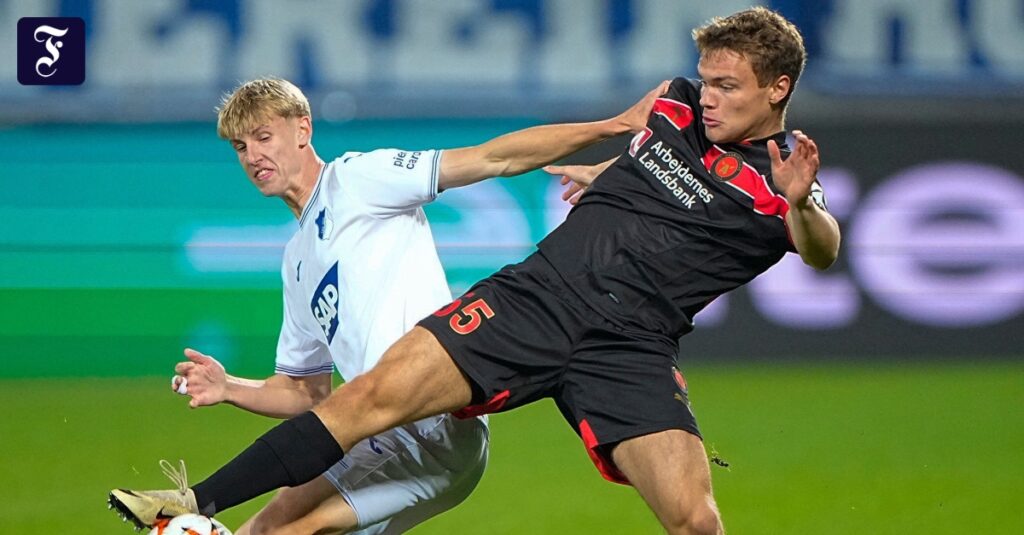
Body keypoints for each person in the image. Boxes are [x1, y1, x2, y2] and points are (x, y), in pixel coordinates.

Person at [111, 7, 839, 534]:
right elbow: (653, 158)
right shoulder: (678, 107)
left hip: (631, 344)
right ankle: (192, 503)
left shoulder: (781, 181)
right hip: (539, 296)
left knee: (693, 518)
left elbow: (820, 246)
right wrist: (607, 171)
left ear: (777, 89)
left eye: (728, 86)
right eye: (707, 78)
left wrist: (804, 203)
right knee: (367, 398)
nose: (708, 94)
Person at [108, 77, 663, 533]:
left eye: (263, 136)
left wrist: (615, 125)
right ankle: (190, 506)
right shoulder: (297, 259)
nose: (254, 155)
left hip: (433, 427)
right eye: (241, 146)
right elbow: (308, 393)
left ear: (303, 129)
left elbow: (491, 158)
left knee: (283, 533)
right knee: (261, 529)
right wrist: (232, 388)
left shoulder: (357, 179)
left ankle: (189, 502)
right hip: (375, 427)